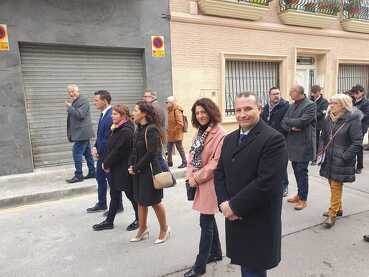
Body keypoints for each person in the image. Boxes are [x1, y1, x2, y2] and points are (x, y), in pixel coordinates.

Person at [214, 92, 288, 277]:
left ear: (259, 109)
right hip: (233, 213)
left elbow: (267, 182)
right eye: (238, 110)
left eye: (248, 109)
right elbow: (219, 172)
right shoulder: (229, 139)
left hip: (257, 217)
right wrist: (224, 203)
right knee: (244, 264)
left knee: (253, 267)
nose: (242, 114)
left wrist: (234, 206)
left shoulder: (273, 139)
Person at [184, 98, 225, 277]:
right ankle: (215, 252)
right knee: (207, 218)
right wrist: (189, 175)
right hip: (199, 181)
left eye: (203, 112)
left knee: (205, 221)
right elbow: (192, 155)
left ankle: (200, 266)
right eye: (197, 112)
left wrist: (197, 178)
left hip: (210, 183)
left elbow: (216, 163)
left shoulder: (220, 134)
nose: (200, 115)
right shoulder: (200, 132)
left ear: (211, 112)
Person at [128, 101, 170, 244]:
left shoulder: (151, 130)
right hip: (138, 171)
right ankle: (143, 228)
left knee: (155, 202)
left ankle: (164, 229)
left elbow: (152, 153)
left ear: (144, 113)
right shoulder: (138, 128)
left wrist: (137, 167)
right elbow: (134, 151)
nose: (132, 113)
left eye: (135, 110)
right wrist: (131, 166)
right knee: (140, 201)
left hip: (149, 172)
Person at [92, 105, 139, 231]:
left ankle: (139, 219)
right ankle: (109, 221)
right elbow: (111, 147)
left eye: (115, 114)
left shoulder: (126, 131)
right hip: (116, 167)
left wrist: (106, 163)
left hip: (124, 168)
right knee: (114, 194)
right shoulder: (117, 128)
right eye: (112, 114)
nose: (112, 116)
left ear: (123, 116)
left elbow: (118, 151)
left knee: (131, 195)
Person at [319, 94, 362, 228]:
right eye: (330, 102)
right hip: (329, 157)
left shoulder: (352, 119)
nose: (331, 105)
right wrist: (321, 150)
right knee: (332, 184)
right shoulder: (328, 118)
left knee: (336, 186)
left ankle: (332, 214)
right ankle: (339, 208)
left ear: (343, 105)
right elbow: (323, 136)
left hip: (342, 159)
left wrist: (345, 156)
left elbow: (357, 142)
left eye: (334, 103)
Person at [281, 85, 317, 210]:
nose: (290, 93)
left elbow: (303, 121)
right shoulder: (292, 105)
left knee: (302, 172)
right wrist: (291, 127)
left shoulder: (310, 105)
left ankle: (303, 199)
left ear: (298, 92)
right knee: (296, 170)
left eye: (291, 91)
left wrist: (290, 121)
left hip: (304, 144)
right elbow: (283, 121)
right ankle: (299, 194)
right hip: (292, 143)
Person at [86, 90, 122, 213]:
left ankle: (117, 205)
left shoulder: (112, 114)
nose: (94, 102)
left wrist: (106, 154)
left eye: (96, 100)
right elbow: (101, 136)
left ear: (105, 101)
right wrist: (95, 147)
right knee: (100, 179)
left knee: (113, 182)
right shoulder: (103, 114)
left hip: (108, 156)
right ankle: (102, 203)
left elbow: (112, 138)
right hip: (101, 154)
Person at [261, 86, 289, 196]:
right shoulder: (267, 107)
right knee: (269, 164)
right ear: (269, 96)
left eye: (278, 93)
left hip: (280, 140)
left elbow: (286, 123)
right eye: (274, 94)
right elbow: (263, 120)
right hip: (267, 140)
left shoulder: (286, 106)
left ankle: (284, 186)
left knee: (281, 164)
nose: (276, 96)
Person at [65, 84, 95, 183]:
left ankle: (79, 175)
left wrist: (70, 108)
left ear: (78, 91)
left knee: (76, 153)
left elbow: (80, 115)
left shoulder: (83, 100)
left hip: (82, 133)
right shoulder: (76, 100)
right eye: (69, 92)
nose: (71, 94)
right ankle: (92, 172)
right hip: (82, 133)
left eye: (73, 91)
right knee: (87, 154)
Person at [351, 85, 369, 174]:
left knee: (358, 146)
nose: (355, 95)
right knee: (351, 146)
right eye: (354, 93)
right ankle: (351, 165)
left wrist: (355, 115)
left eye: (356, 93)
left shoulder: (366, 102)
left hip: (361, 127)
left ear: (362, 92)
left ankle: (359, 166)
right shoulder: (353, 101)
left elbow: (366, 115)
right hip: (352, 126)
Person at [166, 96, 187, 169]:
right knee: (169, 148)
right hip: (171, 134)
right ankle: (169, 162)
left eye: (167, 102)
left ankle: (184, 162)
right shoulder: (170, 110)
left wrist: (172, 131)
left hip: (176, 134)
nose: (166, 104)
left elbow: (180, 124)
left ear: (171, 103)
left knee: (179, 148)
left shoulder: (176, 111)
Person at [310, 85, 328, 165]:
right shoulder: (310, 100)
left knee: (317, 141)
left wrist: (311, 115)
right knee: (311, 141)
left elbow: (322, 113)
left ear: (319, 92)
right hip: (310, 124)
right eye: (312, 93)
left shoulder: (324, 101)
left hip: (319, 124)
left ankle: (316, 158)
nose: (313, 95)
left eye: (315, 93)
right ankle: (312, 156)